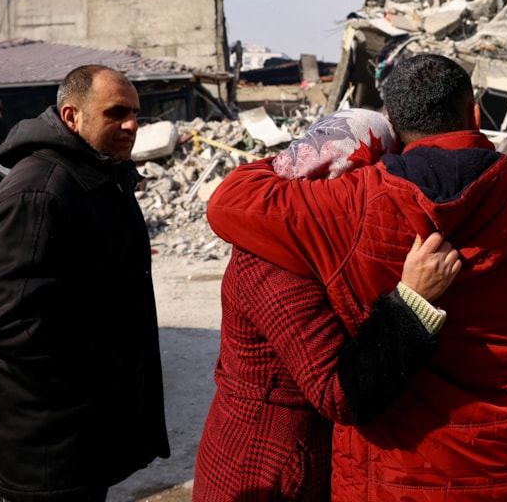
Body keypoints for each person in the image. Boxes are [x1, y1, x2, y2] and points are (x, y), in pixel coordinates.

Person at [208, 53, 507, 501]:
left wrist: (290, 162)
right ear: (475, 115)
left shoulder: (349, 206)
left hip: (400, 472)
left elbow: (227, 203)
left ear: (396, 126)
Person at [194, 109, 462, 501]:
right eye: (374, 173)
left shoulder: (293, 224)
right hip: (270, 464)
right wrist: (412, 301)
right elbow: (335, 392)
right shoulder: (274, 258)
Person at [0, 65, 168, 502]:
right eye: (116, 112)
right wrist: (104, 364)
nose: (131, 125)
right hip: (51, 448)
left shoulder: (98, 179)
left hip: (85, 435)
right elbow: (11, 324)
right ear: (72, 116)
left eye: (135, 113)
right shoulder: (40, 193)